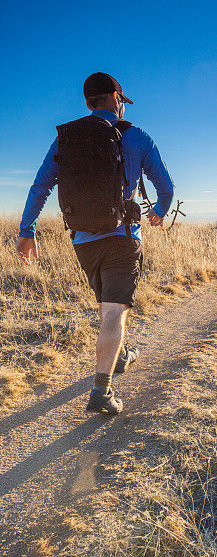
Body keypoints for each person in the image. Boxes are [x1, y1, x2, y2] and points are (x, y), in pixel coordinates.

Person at [16, 72, 176, 415]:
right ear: (116, 97)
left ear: (88, 102)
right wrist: (159, 213)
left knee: (106, 304)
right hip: (122, 237)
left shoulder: (65, 138)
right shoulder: (136, 136)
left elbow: (39, 187)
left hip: (82, 240)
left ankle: (119, 356)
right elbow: (167, 187)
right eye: (121, 99)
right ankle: (101, 390)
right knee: (116, 310)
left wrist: (26, 231)